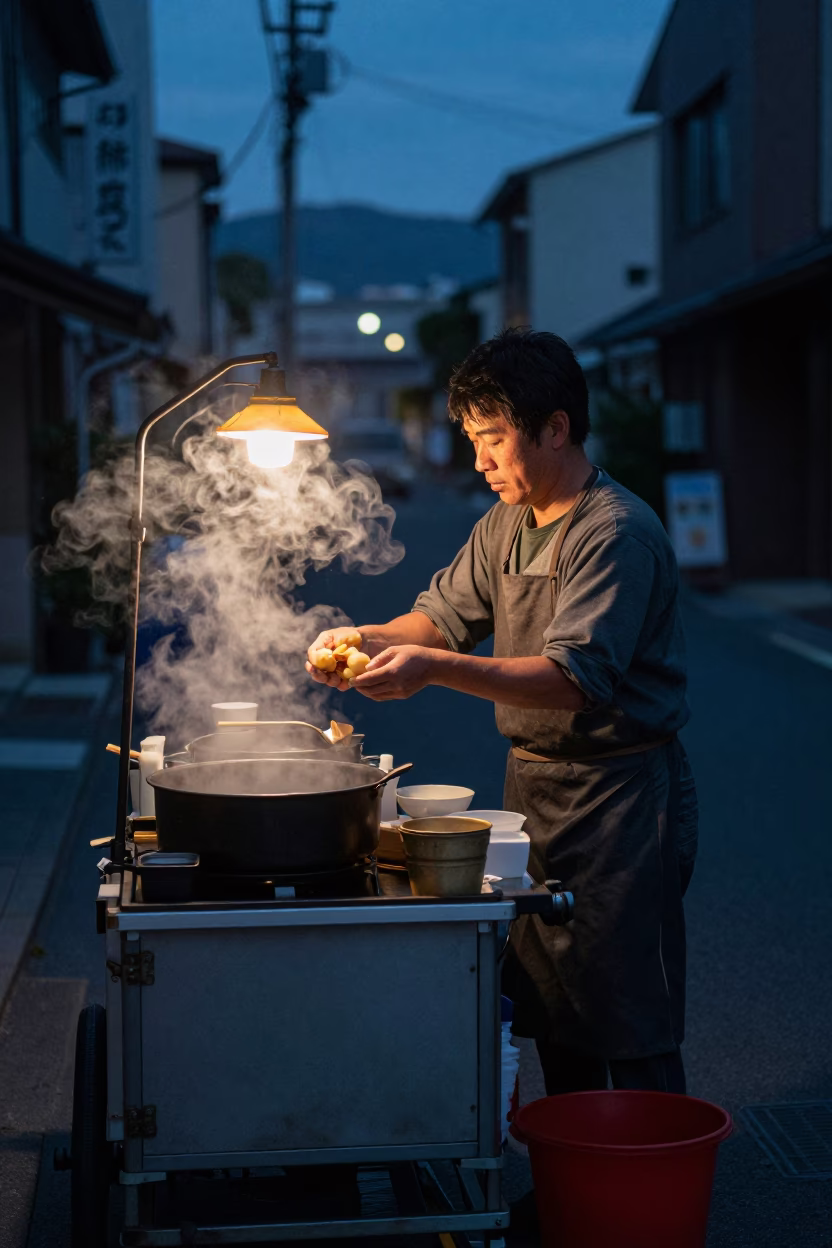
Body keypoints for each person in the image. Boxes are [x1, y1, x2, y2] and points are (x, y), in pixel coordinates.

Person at [307, 327, 698, 1098]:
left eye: (492, 439)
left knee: (627, 1009)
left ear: (555, 427)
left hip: (622, 798)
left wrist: (432, 670)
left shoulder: (614, 532)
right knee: (551, 1001)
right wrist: (366, 637)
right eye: (473, 440)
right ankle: (565, 1189)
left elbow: (572, 679)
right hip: (536, 795)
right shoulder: (505, 523)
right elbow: (442, 618)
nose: (479, 460)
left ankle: (642, 1193)